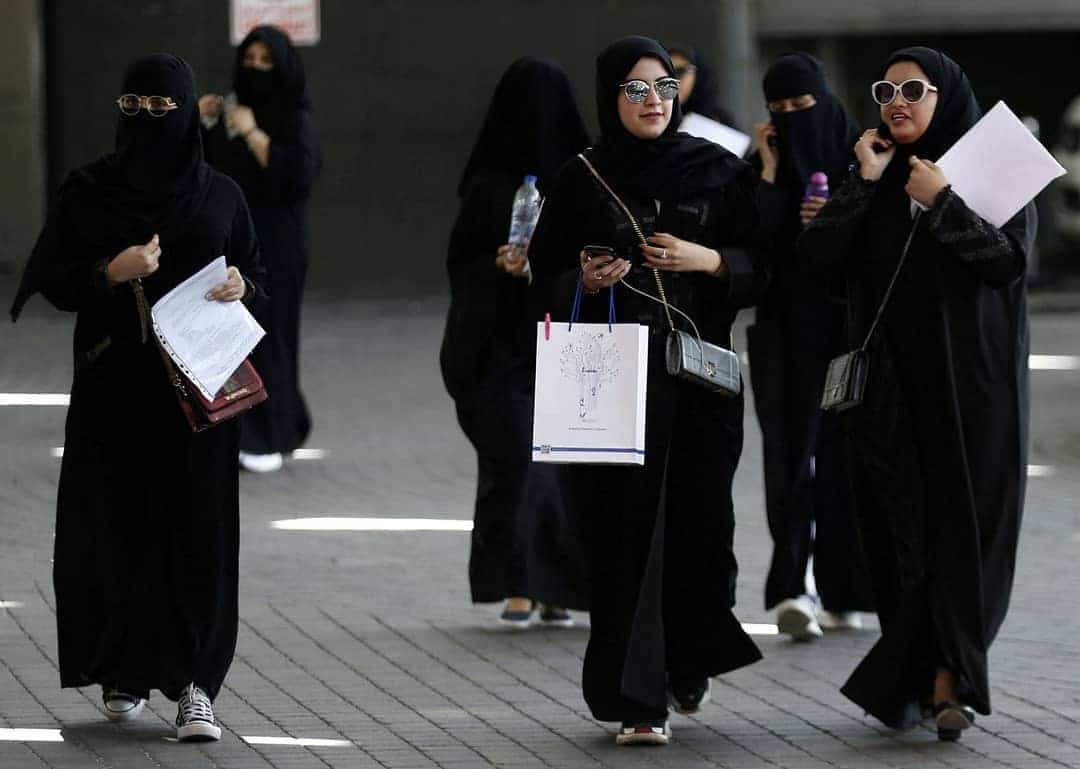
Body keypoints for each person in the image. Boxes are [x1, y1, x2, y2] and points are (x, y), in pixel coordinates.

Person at [10, 53, 264, 743]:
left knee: (198, 536)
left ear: (187, 112)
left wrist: (242, 285)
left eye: (163, 109)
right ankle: (122, 670)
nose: (149, 121)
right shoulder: (91, 192)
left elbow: (258, 275)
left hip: (197, 401)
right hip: (114, 389)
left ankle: (194, 685)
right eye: (135, 108)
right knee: (113, 528)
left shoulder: (220, 197)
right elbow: (53, 276)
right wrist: (109, 271)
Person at [528, 36, 765, 747]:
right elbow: (540, 280)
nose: (652, 101)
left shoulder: (719, 170)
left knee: (701, 531)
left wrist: (712, 259)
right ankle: (640, 698)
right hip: (614, 382)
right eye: (635, 89)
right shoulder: (580, 178)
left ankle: (689, 658)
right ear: (609, 96)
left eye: (663, 87)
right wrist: (583, 282)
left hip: (701, 383)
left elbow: (769, 266)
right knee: (624, 534)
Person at [798, 47, 1035, 741]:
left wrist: (941, 203)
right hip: (888, 394)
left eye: (913, 89)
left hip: (974, 391)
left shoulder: (994, 171)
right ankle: (920, 672)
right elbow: (817, 265)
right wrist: (864, 185)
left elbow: (1008, 263)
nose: (896, 101)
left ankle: (950, 677)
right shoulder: (870, 173)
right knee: (904, 534)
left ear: (946, 97)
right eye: (885, 89)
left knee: (971, 531)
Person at [439, 56, 591, 628]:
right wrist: (497, 267)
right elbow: (461, 265)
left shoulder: (584, 182)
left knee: (560, 468)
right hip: (498, 350)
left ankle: (554, 587)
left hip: (564, 346)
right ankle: (520, 583)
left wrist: (541, 273)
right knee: (518, 459)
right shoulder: (488, 189)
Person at [747, 53, 874, 641]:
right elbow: (749, 241)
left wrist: (840, 215)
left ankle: (846, 587)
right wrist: (771, 172)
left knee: (847, 459)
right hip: (783, 333)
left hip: (850, 332)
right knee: (787, 457)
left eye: (804, 106)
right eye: (780, 109)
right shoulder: (762, 164)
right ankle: (791, 584)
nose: (794, 118)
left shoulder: (864, 158)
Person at [200, 25, 321, 474]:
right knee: (236, 338)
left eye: (266, 61)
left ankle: (272, 431)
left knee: (273, 335)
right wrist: (204, 122)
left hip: (279, 246)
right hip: (234, 247)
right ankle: (244, 426)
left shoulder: (295, 117)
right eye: (248, 59)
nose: (254, 68)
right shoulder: (232, 110)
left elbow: (296, 176)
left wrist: (252, 132)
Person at [667, 45, 738, 128]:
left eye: (680, 71)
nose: (672, 79)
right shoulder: (653, 120)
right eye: (666, 72)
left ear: (699, 75)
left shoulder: (721, 123)